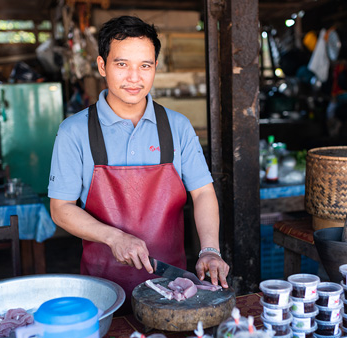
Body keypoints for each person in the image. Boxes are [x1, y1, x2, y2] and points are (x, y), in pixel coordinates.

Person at [48, 15, 230, 302]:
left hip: (172, 288)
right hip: (103, 289)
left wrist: (210, 249)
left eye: (144, 65)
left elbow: (204, 192)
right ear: (101, 66)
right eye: (122, 65)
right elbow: (60, 209)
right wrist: (114, 237)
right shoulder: (74, 131)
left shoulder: (177, 127)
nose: (134, 77)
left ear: (155, 67)